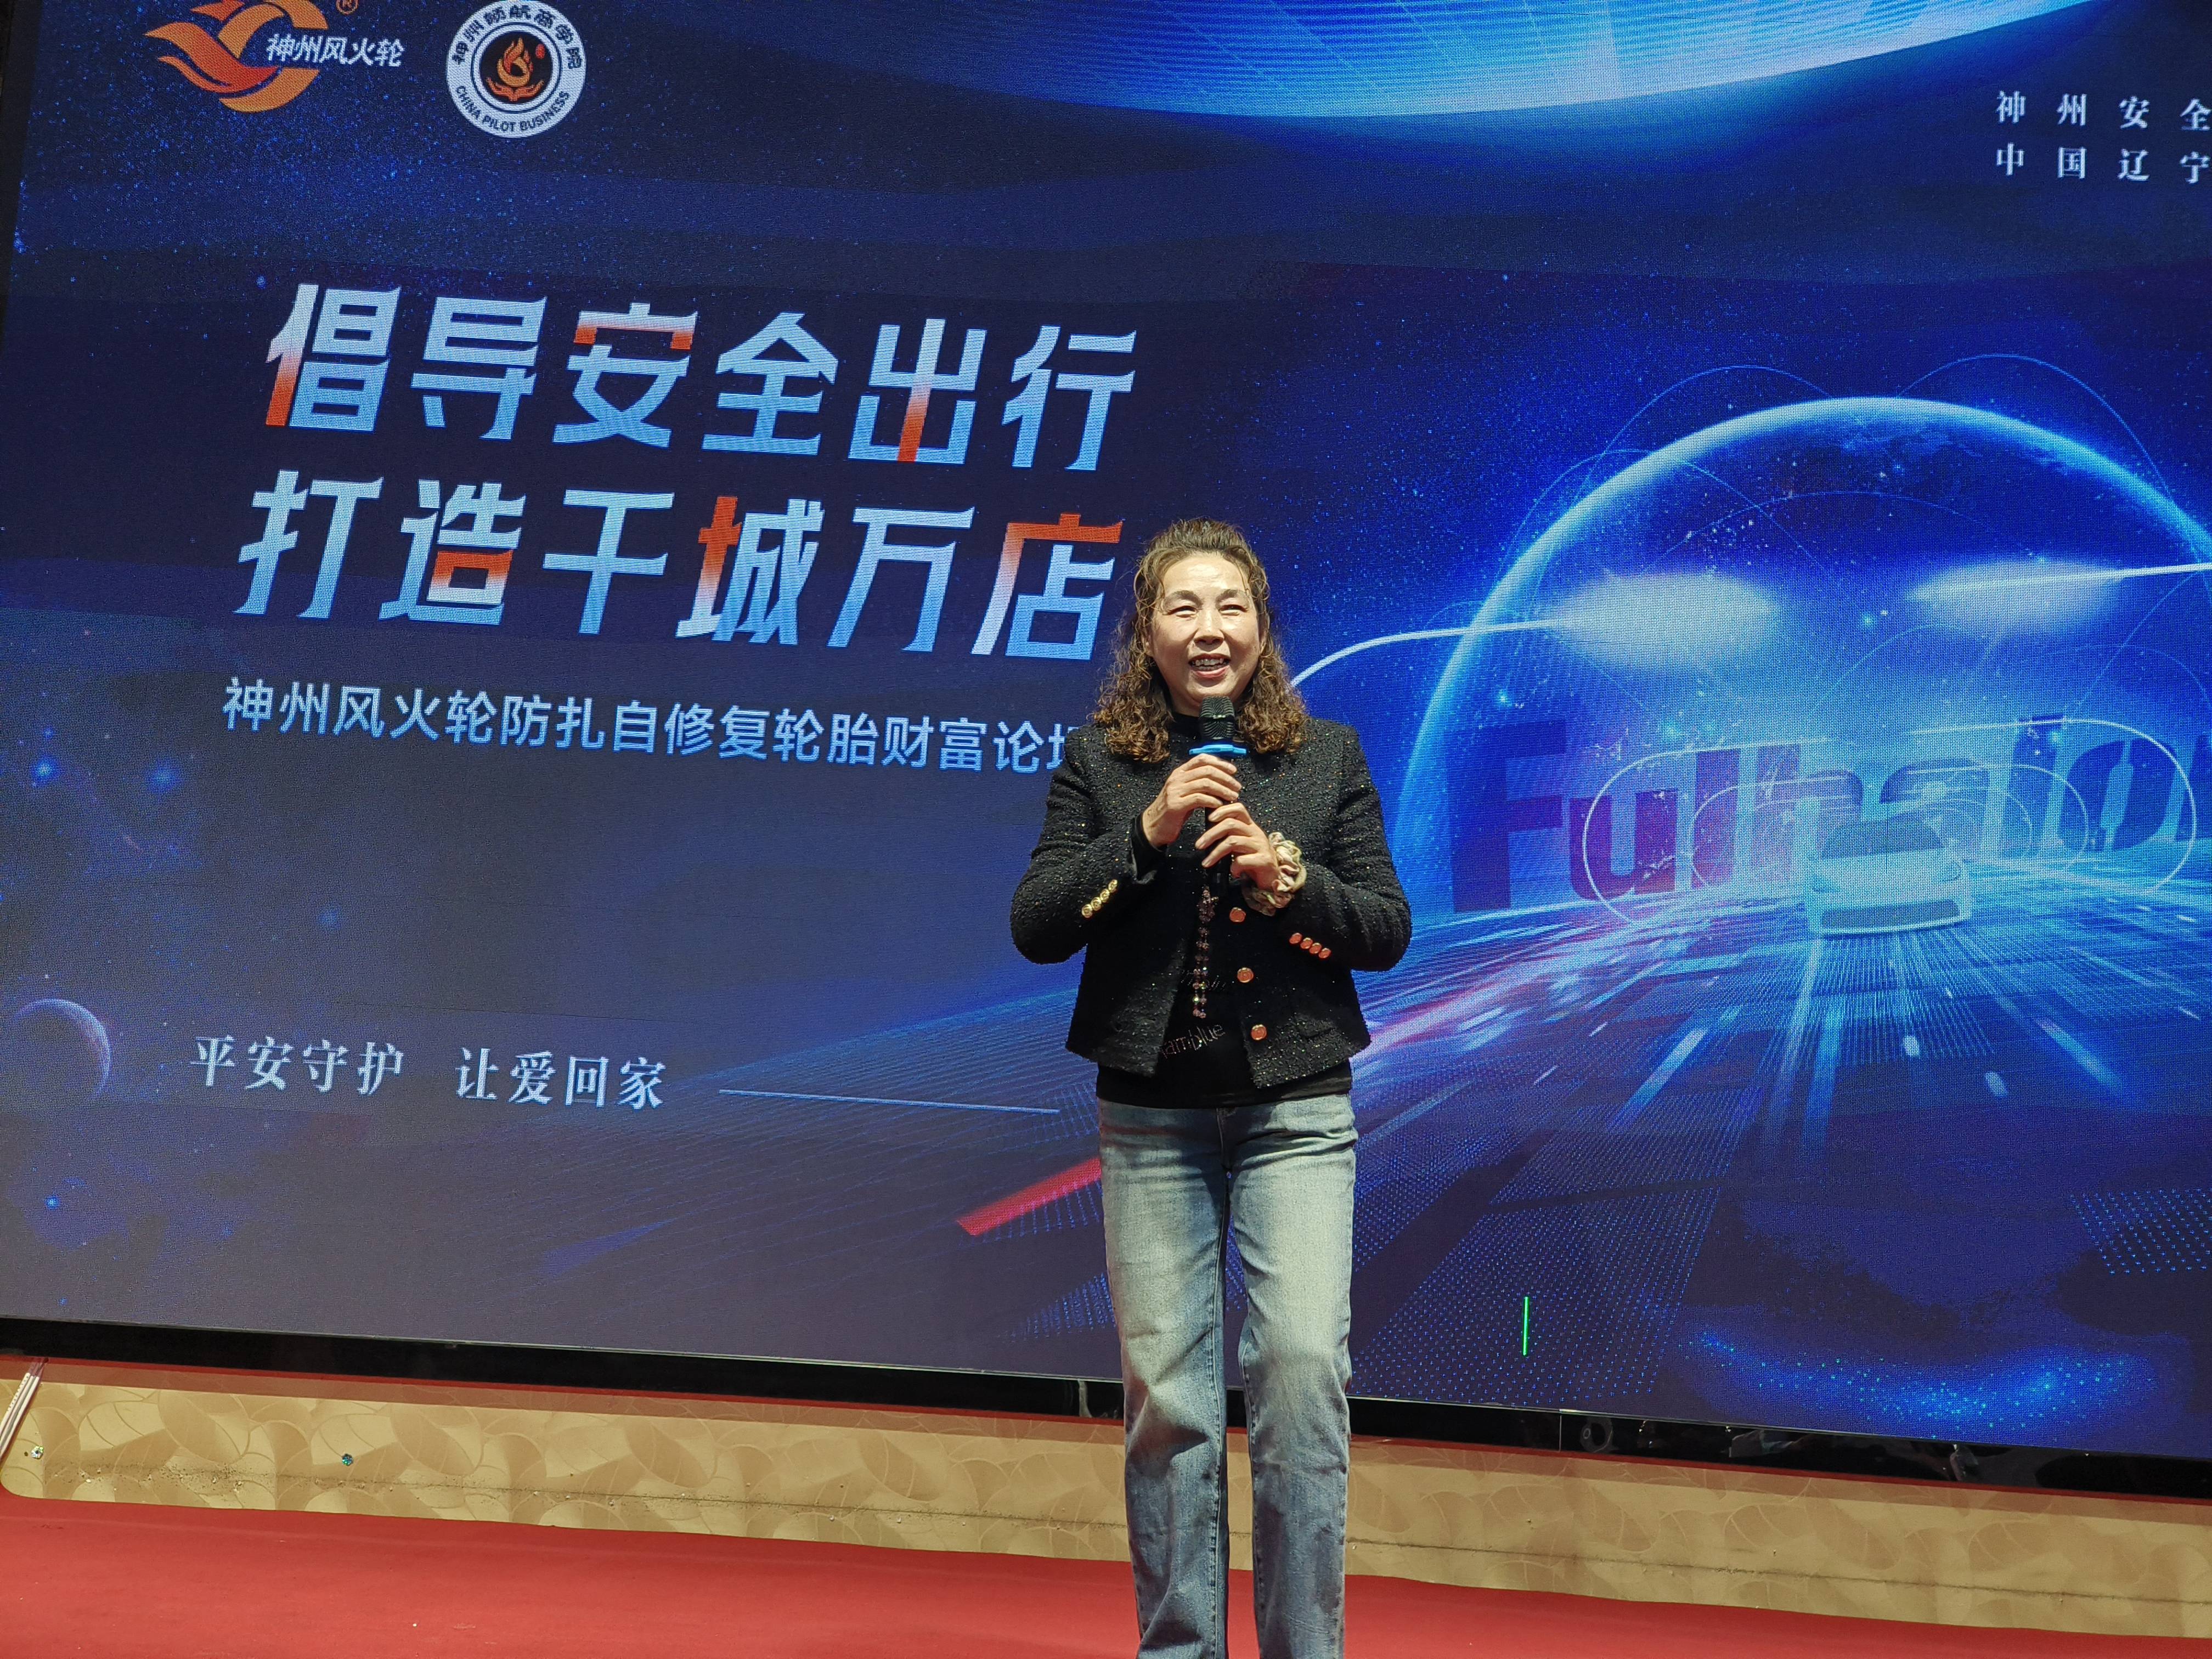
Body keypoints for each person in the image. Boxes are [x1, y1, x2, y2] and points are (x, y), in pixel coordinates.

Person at [1011, 519, 1411, 1659]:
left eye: (1231, 606)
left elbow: (1385, 928)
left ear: (1261, 629)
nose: (1209, 630)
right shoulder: (1100, 762)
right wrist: (1146, 833)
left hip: (1296, 1114)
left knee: (1300, 1375)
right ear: (1146, 633)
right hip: (1152, 1121)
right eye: (1182, 608)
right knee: (1169, 1400)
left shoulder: (1325, 756)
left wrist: (1291, 882)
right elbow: (1038, 924)